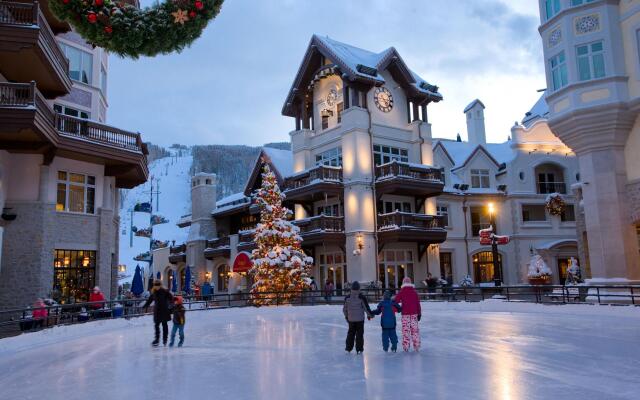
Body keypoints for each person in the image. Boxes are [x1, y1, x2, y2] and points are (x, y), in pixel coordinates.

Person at [343, 281, 373, 354]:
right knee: (359, 334)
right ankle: (359, 349)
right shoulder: (361, 297)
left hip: (351, 320)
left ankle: (348, 348)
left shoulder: (347, 297)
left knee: (350, 333)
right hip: (360, 320)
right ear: (359, 288)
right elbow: (366, 308)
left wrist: (347, 317)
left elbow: (344, 309)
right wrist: (370, 315)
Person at [394, 277, 422, 352]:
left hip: (405, 314)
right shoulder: (414, 292)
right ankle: (416, 346)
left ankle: (406, 347)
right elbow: (417, 304)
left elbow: (395, 302)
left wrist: (396, 309)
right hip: (414, 314)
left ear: (403, 283)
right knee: (414, 330)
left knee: (406, 331)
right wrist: (419, 313)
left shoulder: (402, 291)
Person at [143, 280, 174, 347]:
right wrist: (145, 306)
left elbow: (171, 298)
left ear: (160, 285)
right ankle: (157, 340)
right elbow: (149, 300)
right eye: (155, 285)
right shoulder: (153, 292)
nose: (157, 286)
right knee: (156, 325)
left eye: (158, 285)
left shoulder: (165, 291)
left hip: (164, 310)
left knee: (164, 325)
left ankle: (165, 339)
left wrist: (171, 304)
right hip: (157, 311)